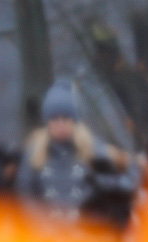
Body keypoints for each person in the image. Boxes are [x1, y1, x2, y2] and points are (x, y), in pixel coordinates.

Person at [17, 79, 135, 226]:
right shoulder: (35, 154)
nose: (61, 124)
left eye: (66, 118)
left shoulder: (93, 149)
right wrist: (43, 228)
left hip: (88, 237)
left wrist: (103, 184)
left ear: (74, 120)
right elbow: (25, 198)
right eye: (54, 119)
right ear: (47, 121)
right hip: (46, 238)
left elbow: (126, 184)